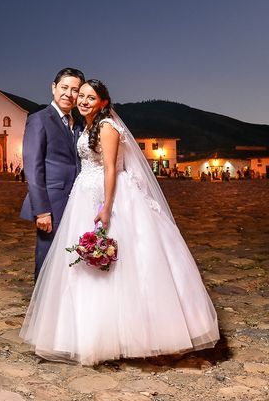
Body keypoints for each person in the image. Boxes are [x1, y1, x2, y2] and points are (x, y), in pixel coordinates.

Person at [20, 79, 219, 365]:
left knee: (122, 263)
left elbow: (111, 168)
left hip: (107, 196)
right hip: (83, 195)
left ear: (103, 102)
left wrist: (107, 207)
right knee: (82, 267)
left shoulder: (106, 127)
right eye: (81, 95)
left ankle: (126, 334)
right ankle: (81, 332)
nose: (83, 100)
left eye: (91, 97)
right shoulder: (85, 126)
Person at [20, 67, 86, 281]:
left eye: (75, 90)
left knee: (73, 258)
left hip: (78, 201)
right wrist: (41, 211)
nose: (69, 93)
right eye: (64, 87)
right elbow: (33, 167)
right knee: (47, 257)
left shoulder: (80, 124)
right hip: (52, 202)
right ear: (53, 88)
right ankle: (41, 308)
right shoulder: (39, 119)